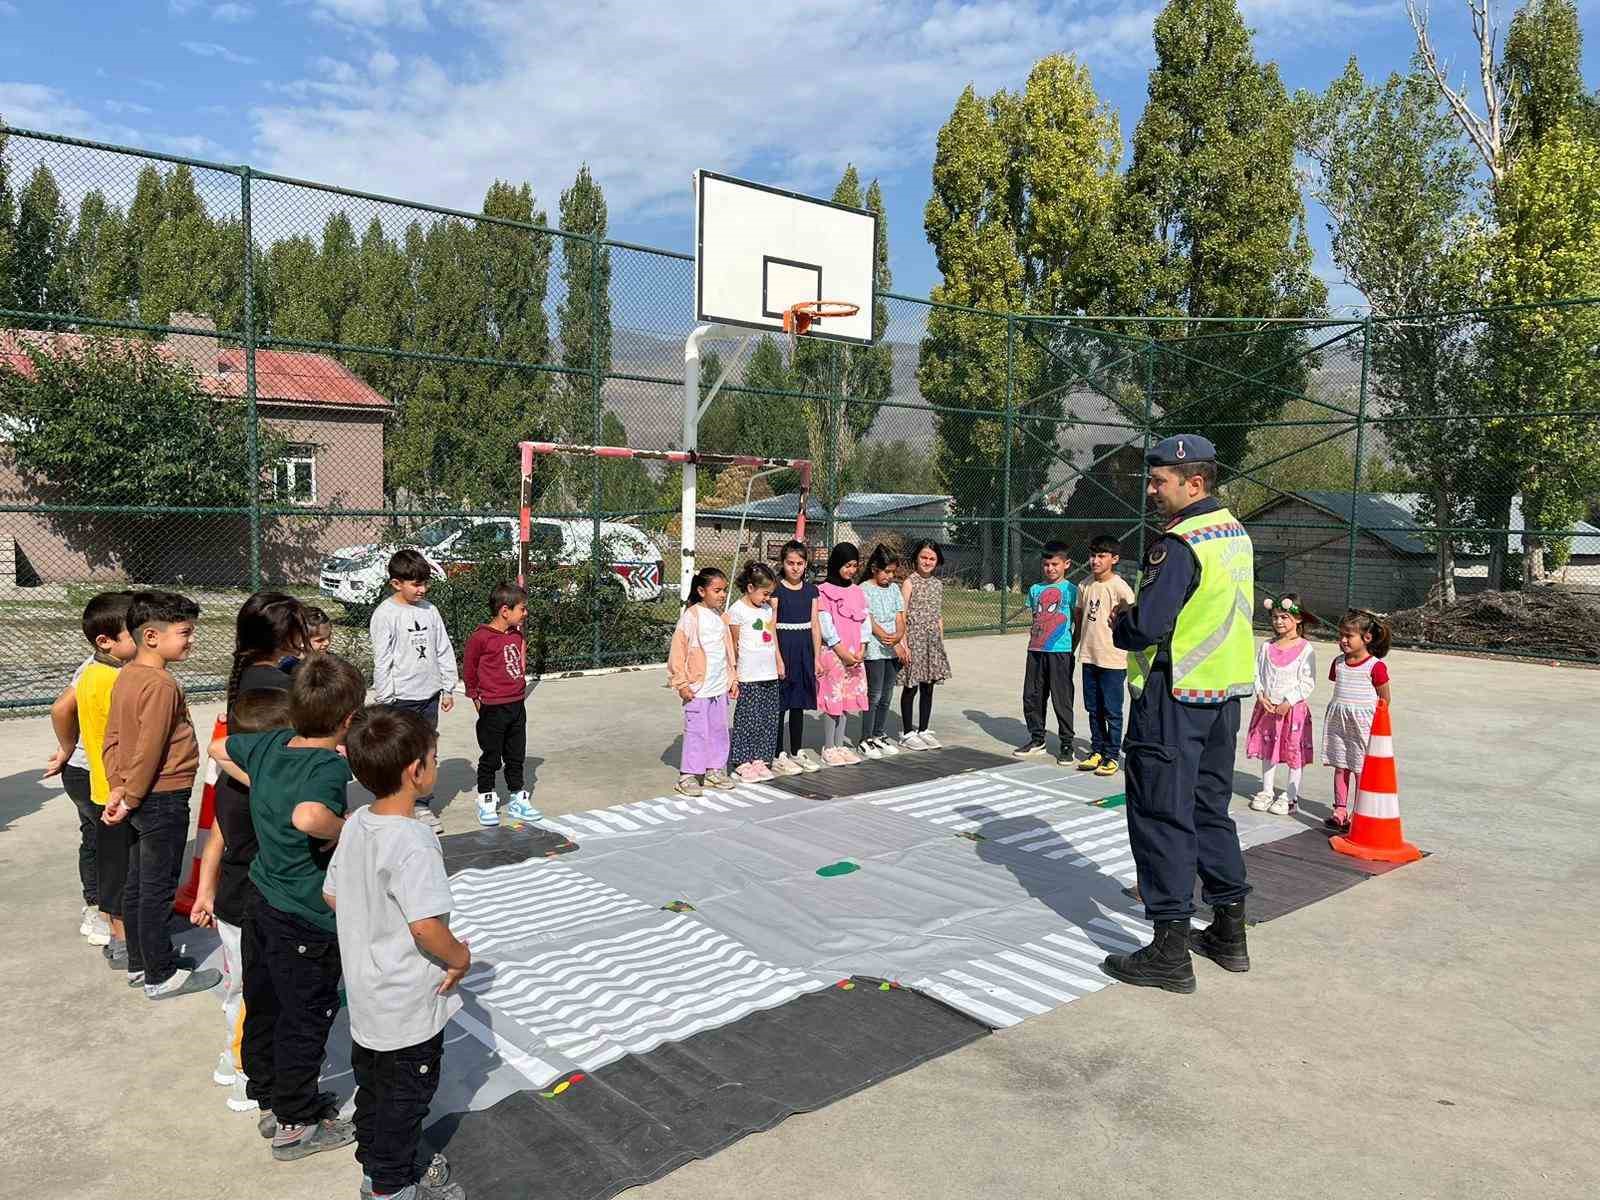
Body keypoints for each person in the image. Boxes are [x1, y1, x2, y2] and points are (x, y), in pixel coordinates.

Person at [1104, 434, 1254, 993]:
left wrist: (1122, 618)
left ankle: (1169, 948)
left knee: (1161, 813)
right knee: (1210, 810)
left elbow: (1147, 626)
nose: (1151, 490)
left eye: (1159, 480)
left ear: (1195, 482)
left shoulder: (1180, 543)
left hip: (1173, 697)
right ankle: (1228, 931)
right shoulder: (1234, 533)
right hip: (1222, 697)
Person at [209, 652, 366, 1162]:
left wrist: (266, 786)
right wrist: (347, 832)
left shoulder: (273, 744)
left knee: (267, 1001)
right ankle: (297, 1122)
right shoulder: (324, 766)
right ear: (347, 722)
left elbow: (218, 748)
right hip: (306, 915)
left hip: (261, 902)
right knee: (305, 1017)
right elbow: (309, 815)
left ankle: (272, 1099)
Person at [328, 706, 471, 1200]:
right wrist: (458, 958)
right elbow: (426, 925)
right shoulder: (414, 840)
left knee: (375, 1087)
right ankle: (389, 1187)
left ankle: (377, 1161)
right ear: (416, 770)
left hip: (367, 994)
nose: (436, 763)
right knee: (406, 1095)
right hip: (405, 1003)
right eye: (434, 757)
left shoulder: (357, 823)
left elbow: (332, 893)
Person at [102, 590, 222, 1000]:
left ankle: (140, 963)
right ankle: (161, 973)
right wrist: (132, 796)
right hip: (161, 798)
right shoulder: (161, 684)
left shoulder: (127, 674)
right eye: (185, 633)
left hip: (136, 797)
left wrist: (118, 786)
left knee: (138, 883)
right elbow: (150, 746)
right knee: (156, 888)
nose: (191, 640)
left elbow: (113, 738)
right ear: (151, 636)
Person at [190, 687, 294, 1114]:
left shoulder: (232, 784)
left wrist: (204, 891)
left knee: (240, 986)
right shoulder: (265, 794)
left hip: (230, 903)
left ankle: (230, 1059)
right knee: (257, 992)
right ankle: (245, 1072)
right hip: (254, 908)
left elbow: (216, 838)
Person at [44, 591, 137, 960]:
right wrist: (68, 748)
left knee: (96, 838)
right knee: (109, 844)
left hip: (92, 773)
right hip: (91, 773)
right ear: (106, 641)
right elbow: (61, 708)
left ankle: (102, 909)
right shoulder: (100, 671)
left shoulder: (106, 663)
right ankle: (103, 913)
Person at [370, 549, 458, 825]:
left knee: (426, 750)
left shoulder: (431, 611)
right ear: (396, 583)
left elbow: (443, 648)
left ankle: (421, 805)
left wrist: (447, 687)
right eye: (416, 584)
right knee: (399, 752)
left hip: (429, 696)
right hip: (400, 700)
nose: (423, 589)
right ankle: (398, 803)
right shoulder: (385, 614)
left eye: (425, 583)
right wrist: (385, 698)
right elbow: (382, 659)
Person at [463, 582, 539, 827]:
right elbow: (470, 669)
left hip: (517, 705)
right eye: (522, 609)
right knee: (491, 756)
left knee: (516, 754)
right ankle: (486, 799)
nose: (525, 613)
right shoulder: (480, 637)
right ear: (505, 610)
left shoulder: (517, 634)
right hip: (492, 707)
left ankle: (518, 797)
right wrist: (475, 697)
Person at [667, 568, 740, 797]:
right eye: (716, 590)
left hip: (718, 689)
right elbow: (677, 653)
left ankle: (714, 770)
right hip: (697, 689)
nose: (721, 595)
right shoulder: (691, 617)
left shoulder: (721, 618)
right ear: (701, 591)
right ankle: (688, 775)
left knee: (718, 730)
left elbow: (728, 653)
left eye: (724, 590)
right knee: (697, 731)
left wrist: (732, 678)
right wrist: (681, 683)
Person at [1323, 609, 1394, 833]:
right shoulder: (1338, 663)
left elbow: (1385, 698)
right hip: (1338, 722)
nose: (1343, 640)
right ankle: (1340, 811)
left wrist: (1378, 725)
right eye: (1340, 635)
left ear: (1367, 638)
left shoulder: (1376, 667)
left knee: (1360, 768)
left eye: (1348, 636)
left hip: (1363, 724)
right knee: (1341, 765)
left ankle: (1359, 812)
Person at [1246, 594, 1317, 817]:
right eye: (1275, 617)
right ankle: (1267, 790)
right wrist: (1260, 694)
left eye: (1284, 617)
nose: (1278, 622)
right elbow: (1256, 672)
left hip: (1292, 711)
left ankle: (1290, 795)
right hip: (1268, 708)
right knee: (1269, 749)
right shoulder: (1266, 646)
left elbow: (1308, 681)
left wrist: (1289, 701)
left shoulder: (1306, 649)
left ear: (1297, 619)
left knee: (1293, 752)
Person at [1072, 535, 1135, 777]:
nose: (1095, 560)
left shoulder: (1120, 587)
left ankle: (1111, 754)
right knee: (1093, 708)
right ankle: (1096, 750)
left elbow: (1131, 614)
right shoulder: (1084, 585)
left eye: (1101, 556)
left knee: (1112, 709)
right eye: (1093, 555)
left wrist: (1124, 615)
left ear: (1114, 559)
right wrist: (1073, 649)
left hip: (1113, 660)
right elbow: (1079, 620)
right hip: (1089, 657)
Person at [1015, 542, 1079, 762]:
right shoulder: (1035, 590)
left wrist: (1071, 646)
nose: (1050, 568)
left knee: (1061, 698)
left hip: (1060, 652)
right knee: (1032, 695)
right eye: (1046, 564)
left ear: (1066, 564)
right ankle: (1037, 739)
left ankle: (1067, 744)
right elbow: (1036, 618)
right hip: (1035, 651)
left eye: (1055, 564)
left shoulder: (1072, 590)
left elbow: (1076, 622)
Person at [726, 561, 787, 781]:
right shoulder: (736, 611)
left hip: (768, 672)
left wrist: (779, 661)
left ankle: (761, 758)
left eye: (770, 594)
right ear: (750, 588)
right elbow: (732, 646)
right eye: (764, 593)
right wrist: (732, 674)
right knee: (747, 718)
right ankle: (742, 761)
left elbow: (773, 637)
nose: (767, 598)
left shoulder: (768, 609)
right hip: (748, 674)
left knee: (767, 718)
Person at [772, 541, 823, 774]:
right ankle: (777, 753)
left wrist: (817, 657)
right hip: (784, 647)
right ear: (783, 563)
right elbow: (771, 625)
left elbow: (814, 625)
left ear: (806, 564)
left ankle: (796, 750)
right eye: (790, 563)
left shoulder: (811, 591)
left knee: (798, 703)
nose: (795, 568)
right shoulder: (776, 589)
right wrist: (778, 658)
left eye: (799, 563)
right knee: (781, 703)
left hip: (804, 650)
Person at [816, 543, 868, 766]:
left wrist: (863, 647)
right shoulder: (824, 591)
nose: (851, 570)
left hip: (855, 653)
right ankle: (829, 746)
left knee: (846, 699)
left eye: (854, 566)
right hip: (835, 653)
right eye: (847, 565)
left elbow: (864, 620)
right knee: (833, 699)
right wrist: (840, 649)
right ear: (836, 564)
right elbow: (825, 623)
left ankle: (840, 745)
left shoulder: (858, 592)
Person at [899, 539, 951, 750]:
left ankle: (923, 728)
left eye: (932, 558)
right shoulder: (909, 582)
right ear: (916, 558)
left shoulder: (938, 584)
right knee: (911, 686)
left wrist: (940, 641)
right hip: (913, 640)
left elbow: (938, 615)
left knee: (928, 687)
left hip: (932, 642)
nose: (927, 561)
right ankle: (907, 732)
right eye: (923, 557)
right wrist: (903, 644)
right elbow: (901, 615)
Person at [858, 544, 906, 758]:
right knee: (874, 694)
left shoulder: (895, 589)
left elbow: (900, 617)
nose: (890, 576)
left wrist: (898, 637)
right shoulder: (863, 589)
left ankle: (879, 733)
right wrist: (885, 636)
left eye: (893, 572)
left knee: (887, 694)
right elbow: (868, 618)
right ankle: (865, 738)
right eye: (886, 571)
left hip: (892, 651)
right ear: (874, 569)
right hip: (875, 650)